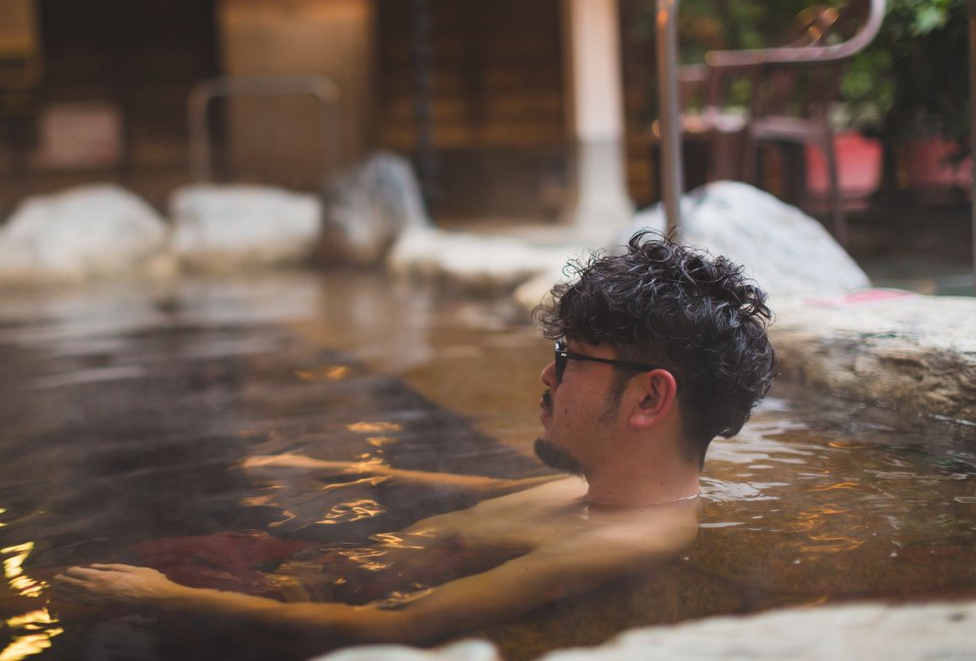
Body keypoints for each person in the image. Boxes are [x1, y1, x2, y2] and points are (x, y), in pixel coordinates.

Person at [54, 231, 777, 654]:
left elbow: (403, 624)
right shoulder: (600, 496)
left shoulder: (616, 545)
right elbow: (486, 495)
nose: (545, 376)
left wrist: (171, 598)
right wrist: (325, 464)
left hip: (287, 602)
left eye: (571, 360)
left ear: (649, 398)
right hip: (299, 569)